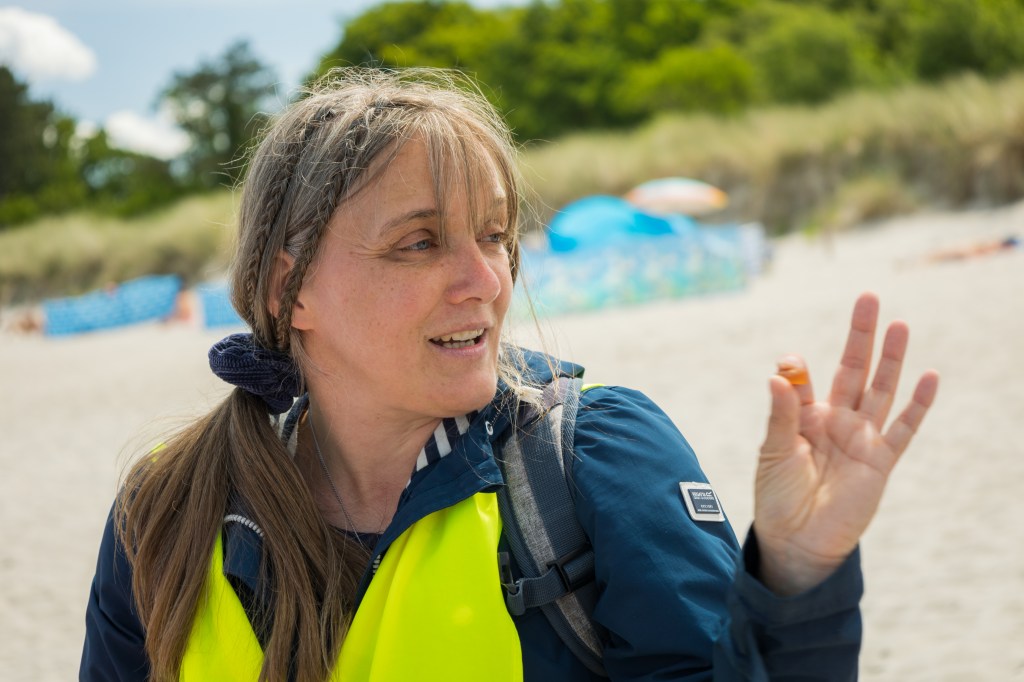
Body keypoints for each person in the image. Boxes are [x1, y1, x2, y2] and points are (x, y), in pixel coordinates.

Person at [80, 68, 940, 682]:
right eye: (419, 242)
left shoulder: (591, 459)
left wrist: (792, 575)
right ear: (287, 286)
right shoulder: (167, 514)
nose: (485, 280)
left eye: (494, 235)